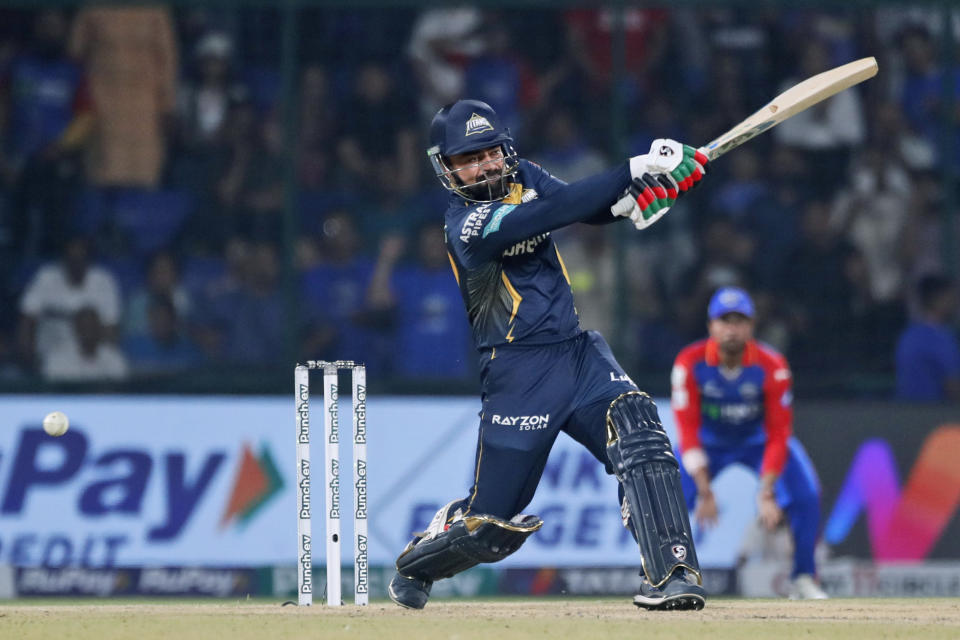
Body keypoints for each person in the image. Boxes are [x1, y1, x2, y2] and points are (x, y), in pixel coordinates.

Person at [387, 99, 709, 611]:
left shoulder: (528, 176)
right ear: (446, 168)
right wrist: (632, 168)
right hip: (518, 372)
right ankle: (419, 562)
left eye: (490, 151)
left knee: (639, 430)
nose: (485, 165)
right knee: (489, 524)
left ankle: (670, 573)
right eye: (468, 158)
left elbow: (582, 207)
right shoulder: (464, 226)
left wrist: (633, 200)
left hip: (578, 353)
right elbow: (547, 214)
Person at [671, 286, 828, 600]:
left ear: (752, 326)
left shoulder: (773, 365)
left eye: (739, 320)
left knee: (806, 494)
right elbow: (687, 430)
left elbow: (779, 433)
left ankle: (803, 577)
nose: (731, 328)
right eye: (724, 320)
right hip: (708, 444)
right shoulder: (689, 362)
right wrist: (704, 489)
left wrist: (767, 490)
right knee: (662, 494)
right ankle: (669, 575)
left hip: (758, 443)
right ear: (710, 326)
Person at [895, 274, 960, 402]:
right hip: (933, 415)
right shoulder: (942, 339)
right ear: (937, 300)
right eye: (951, 297)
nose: (955, 303)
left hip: (902, 415)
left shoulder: (907, 335)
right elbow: (954, 388)